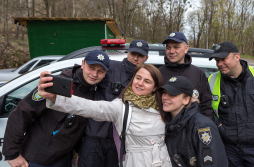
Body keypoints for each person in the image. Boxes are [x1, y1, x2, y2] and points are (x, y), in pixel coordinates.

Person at [38, 64, 172, 167]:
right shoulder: (121, 107)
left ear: (155, 87)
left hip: (164, 161)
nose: (140, 83)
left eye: (147, 81)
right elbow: (91, 108)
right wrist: (57, 98)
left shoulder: (163, 105)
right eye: (138, 78)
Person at [2, 50, 110, 167]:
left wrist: (78, 152)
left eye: (100, 71)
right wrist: (12, 154)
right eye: (91, 67)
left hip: (63, 159)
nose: (94, 74)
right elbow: (21, 112)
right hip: (37, 159)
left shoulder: (96, 91)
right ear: (83, 64)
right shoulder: (58, 84)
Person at [97, 39, 150, 162]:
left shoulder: (147, 78)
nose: (135, 58)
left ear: (146, 58)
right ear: (127, 53)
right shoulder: (110, 67)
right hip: (97, 134)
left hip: (123, 141)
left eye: (140, 56)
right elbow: (88, 75)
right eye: (133, 54)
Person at [158, 76, 228, 167]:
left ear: (186, 99)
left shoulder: (202, 126)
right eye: (164, 93)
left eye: (172, 94)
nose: (165, 97)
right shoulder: (164, 122)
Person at [159, 31, 213, 119]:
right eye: (168, 48)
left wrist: (205, 126)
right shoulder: (159, 73)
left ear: (186, 48)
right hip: (165, 128)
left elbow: (206, 105)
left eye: (176, 47)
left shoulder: (198, 73)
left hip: (192, 128)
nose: (171, 51)